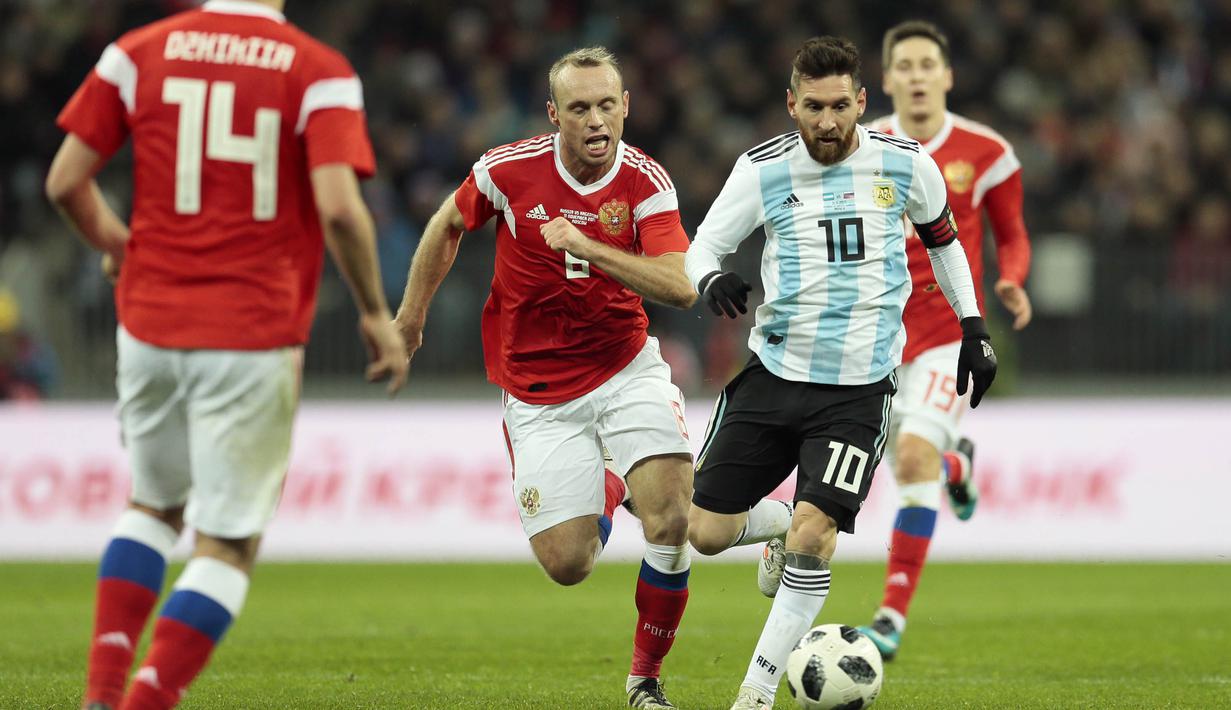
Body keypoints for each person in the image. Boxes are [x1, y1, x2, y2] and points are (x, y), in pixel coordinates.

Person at [45, 2, 408, 708]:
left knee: (150, 507)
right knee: (227, 545)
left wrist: (118, 245)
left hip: (148, 324)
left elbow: (64, 182)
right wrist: (371, 311)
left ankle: (101, 692)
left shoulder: (137, 51)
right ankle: (145, 702)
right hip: (249, 328)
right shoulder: (318, 70)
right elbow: (338, 207)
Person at [683, 36, 998, 710]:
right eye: (812, 108)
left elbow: (944, 243)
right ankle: (774, 533)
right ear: (790, 104)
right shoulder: (761, 169)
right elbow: (703, 244)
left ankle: (755, 695)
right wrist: (709, 275)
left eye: (839, 107)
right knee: (704, 533)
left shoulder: (905, 165)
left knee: (814, 535)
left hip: (857, 391)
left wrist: (972, 326)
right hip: (772, 375)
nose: (827, 122)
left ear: (861, 102)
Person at [393, 47, 696, 709]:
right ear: (554, 114)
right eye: (580, 107)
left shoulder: (645, 182)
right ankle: (610, 484)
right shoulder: (507, 171)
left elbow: (679, 286)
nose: (596, 119)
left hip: (623, 369)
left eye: (607, 105)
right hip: (537, 391)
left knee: (671, 519)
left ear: (625, 108)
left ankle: (644, 680)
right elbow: (447, 223)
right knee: (568, 565)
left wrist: (589, 246)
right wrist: (411, 317)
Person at [856, 20, 1032, 661]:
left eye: (928, 64)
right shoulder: (862, 145)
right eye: (904, 65)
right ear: (887, 78)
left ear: (947, 76)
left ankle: (890, 617)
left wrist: (1011, 280)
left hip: (947, 337)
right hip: (874, 337)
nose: (917, 75)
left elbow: (1011, 233)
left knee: (908, 459)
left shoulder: (987, 151)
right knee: (890, 461)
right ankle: (957, 465)